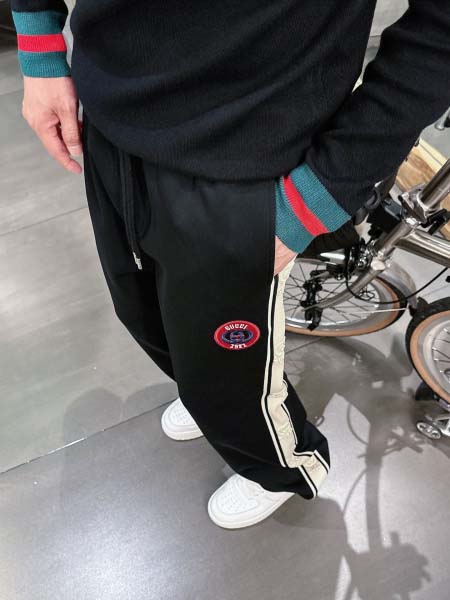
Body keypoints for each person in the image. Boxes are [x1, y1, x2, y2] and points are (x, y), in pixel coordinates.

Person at [10, 0, 450, 529]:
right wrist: (39, 46)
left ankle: (284, 469)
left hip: (245, 161)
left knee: (232, 373)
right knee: (144, 312)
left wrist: (320, 194)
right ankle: (204, 398)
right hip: (110, 112)